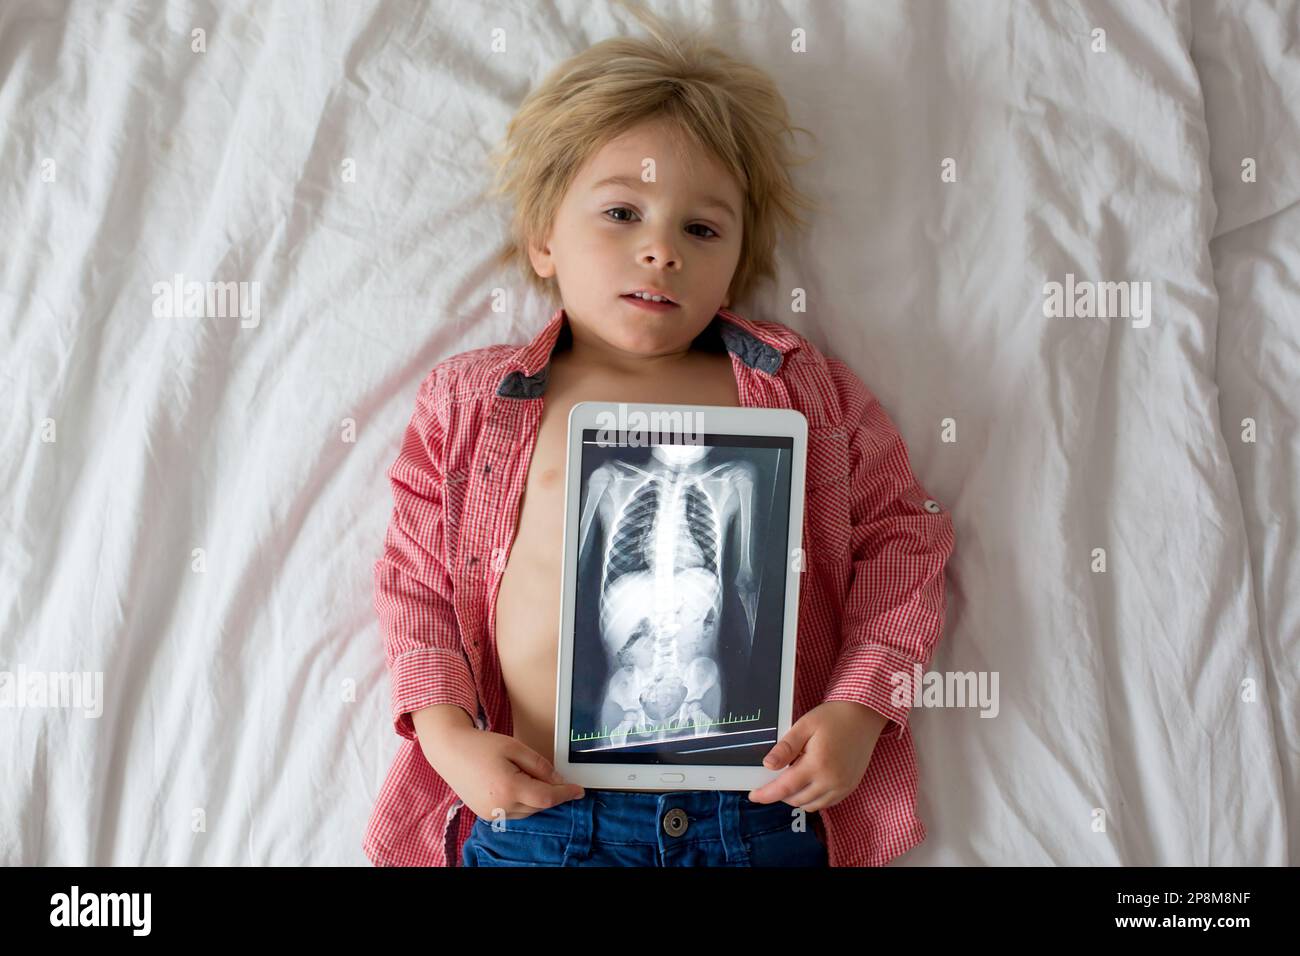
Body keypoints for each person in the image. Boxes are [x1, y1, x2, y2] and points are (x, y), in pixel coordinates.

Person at [363, 3, 955, 868]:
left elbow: (904, 541)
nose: (660, 251)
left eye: (701, 228)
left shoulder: (799, 392)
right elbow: (413, 582)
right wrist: (450, 736)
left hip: (754, 811)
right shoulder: (476, 402)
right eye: (620, 214)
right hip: (540, 810)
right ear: (542, 239)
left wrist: (861, 709)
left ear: (739, 259)